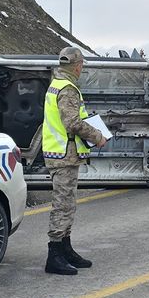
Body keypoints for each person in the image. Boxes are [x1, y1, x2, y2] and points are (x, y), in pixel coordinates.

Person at [41, 47, 107, 275]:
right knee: (63, 205)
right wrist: (97, 136)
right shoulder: (67, 89)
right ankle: (55, 255)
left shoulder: (57, 84)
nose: (82, 68)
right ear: (77, 66)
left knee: (67, 204)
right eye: (82, 65)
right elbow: (72, 123)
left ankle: (65, 249)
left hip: (61, 154)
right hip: (63, 156)